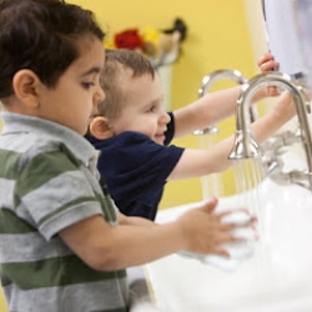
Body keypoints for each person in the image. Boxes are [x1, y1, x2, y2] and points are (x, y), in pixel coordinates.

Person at [0, 1, 256, 311]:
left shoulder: (20, 148)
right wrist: (181, 235)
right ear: (29, 88)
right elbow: (102, 247)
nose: (98, 96)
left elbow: (115, 221)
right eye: (87, 83)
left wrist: (184, 239)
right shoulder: (43, 157)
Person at [86, 49, 294, 220]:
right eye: (150, 109)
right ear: (103, 128)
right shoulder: (124, 153)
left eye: (160, 104)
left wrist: (261, 89)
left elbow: (200, 113)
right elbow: (212, 161)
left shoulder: (113, 138)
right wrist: (278, 116)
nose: (164, 117)